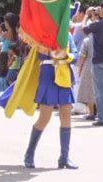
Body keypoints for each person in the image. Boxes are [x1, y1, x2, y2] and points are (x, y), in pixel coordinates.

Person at [22, 34, 79, 169]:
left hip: (64, 76)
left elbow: (75, 56)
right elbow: (41, 53)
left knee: (66, 116)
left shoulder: (68, 34)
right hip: (48, 75)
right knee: (44, 118)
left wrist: (65, 56)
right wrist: (58, 54)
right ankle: (29, 154)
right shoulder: (43, 33)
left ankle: (64, 157)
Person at [77, 35, 96, 120]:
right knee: (100, 90)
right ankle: (102, 112)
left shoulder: (87, 40)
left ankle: (91, 113)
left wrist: (80, 69)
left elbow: (82, 56)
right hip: (101, 65)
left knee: (89, 90)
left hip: (89, 66)